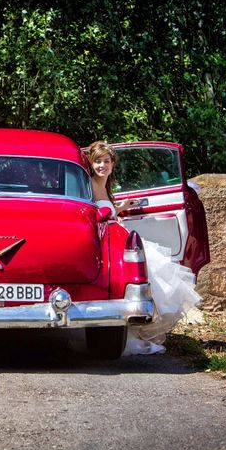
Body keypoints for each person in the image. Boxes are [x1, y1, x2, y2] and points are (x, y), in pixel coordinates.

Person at [85, 141, 201, 355]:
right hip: (104, 242)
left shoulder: (105, 186)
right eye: (98, 161)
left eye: (107, 161)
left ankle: (138, 330)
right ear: (91, 164)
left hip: (117, 235)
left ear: (112, 164)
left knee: (150, 270)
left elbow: (108, 210)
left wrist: (121, 207)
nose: (102, 165)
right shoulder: (88, 185)